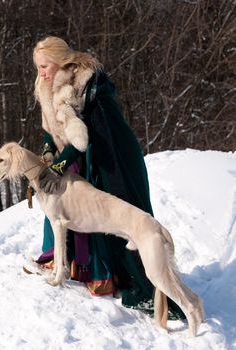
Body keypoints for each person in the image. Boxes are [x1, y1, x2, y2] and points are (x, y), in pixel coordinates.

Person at [28, 36, 183, 317]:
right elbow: (49, 130)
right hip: (81, 158)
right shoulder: (46, 85)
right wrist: (49, 152)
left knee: (118, 215)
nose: (41, 73)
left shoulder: (79, 86)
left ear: (60, 62)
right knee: (63, 208)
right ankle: (66, 263)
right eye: (38, 67)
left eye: (45, 67)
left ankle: (143, 285)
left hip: (112, 159)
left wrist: (58, 168)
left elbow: (80, 140)